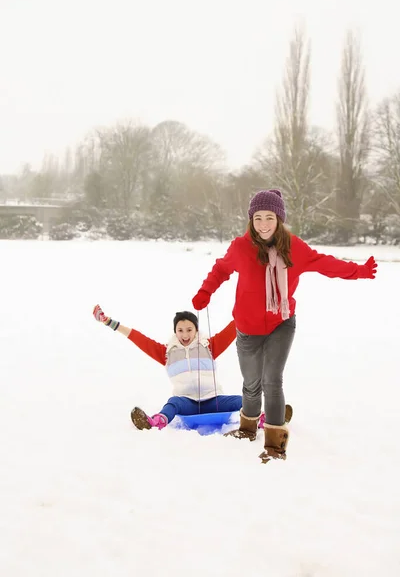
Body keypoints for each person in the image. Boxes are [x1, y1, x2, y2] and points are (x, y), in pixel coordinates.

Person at [192, 189, 378, 463]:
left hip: (281, 323)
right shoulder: (241, 248)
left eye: (270, 217)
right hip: (246, 328)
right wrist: (205, 291)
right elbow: (221, 269)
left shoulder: (293, 248)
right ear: (251, 220)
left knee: (272, 380)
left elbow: (324, 263)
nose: (264, 224)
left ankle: (275, 444)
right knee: (251, 383)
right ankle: (247, 429)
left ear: (279, 219)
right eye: (258, 218)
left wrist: (358, 272)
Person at [92, 305, 243, 430]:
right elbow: (138, 338)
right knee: (173, 403)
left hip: (213, 400)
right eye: (180, 330)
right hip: (187, 403)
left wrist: (249, 303)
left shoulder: (209, 346)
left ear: (196, 330)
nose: (185, 335)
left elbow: (234, 326)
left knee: (244, 401)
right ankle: (154, 422)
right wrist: (109, 322)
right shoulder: (166, 353)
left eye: (189, 330)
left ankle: (262, 419)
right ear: (175, 331)